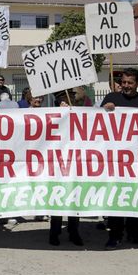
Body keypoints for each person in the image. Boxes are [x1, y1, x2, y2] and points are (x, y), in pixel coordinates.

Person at [100, 67, 138, 250]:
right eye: (123, 82)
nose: (126, 85)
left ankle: (134, 234)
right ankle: (115, 235)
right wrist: (104, 109)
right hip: (116, 158)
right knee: (116, 196)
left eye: (130, 83)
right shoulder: (111, 97)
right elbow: (96, 121)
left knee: (136, 196)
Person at [48, 89, 84, 247]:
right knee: (57, 198)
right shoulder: (51, 113)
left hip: (75, 162)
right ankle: (54, 232)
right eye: (63, 97)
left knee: (74, 198)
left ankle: (73, 231)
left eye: (70, 96)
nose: (69, 99)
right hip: (57, 163)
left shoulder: (80, 112)